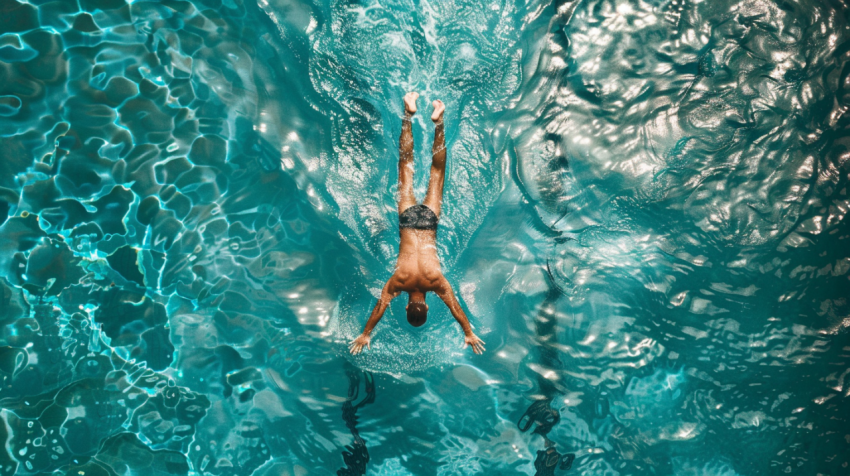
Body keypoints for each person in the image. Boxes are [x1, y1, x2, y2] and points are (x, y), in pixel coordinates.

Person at [349, 92, 486, 355]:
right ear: (405, 306)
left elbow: (455, 308)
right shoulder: (398, 282)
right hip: (407, 220)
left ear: (426, 305)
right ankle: (408, 115)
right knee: (405, 166)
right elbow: (379, 308)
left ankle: (439, 121)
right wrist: (365, 334)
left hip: (429, 221)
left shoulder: (436, 282)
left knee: (437, 173)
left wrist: (468, 332)